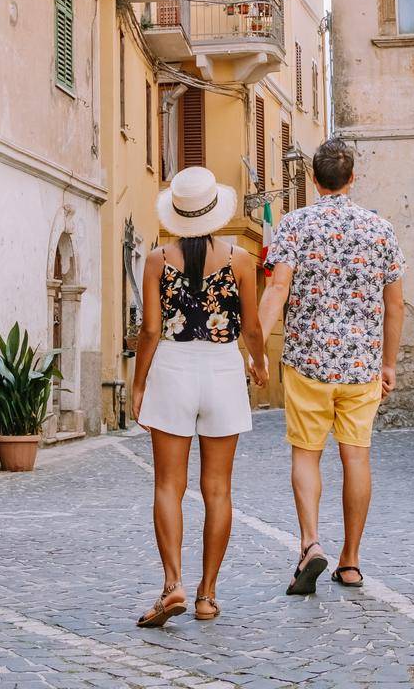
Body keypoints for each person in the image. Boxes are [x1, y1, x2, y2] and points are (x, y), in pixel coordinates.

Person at [258, 134, 404, 595]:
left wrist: (255, 346)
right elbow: (395, 306)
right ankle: (352, 561)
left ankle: (309, 543)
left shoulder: (293, 226)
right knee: (355, 455)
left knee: (306, 454)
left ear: (313, 178)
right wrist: (389, 363)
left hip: (307, 360)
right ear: (352, 178)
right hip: (361, 364)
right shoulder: (380, 230)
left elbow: (278, 289)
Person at [131, 165, 269, 628]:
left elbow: (150, 330)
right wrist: (260, 362)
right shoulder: (241, 261)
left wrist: (138, 382)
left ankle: (173, 586)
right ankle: (208, 595)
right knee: (218, 488)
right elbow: (251, 327)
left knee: (169, 485)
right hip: (223, 369)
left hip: (172, 369)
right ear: (215, 213)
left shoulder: (156, 260)